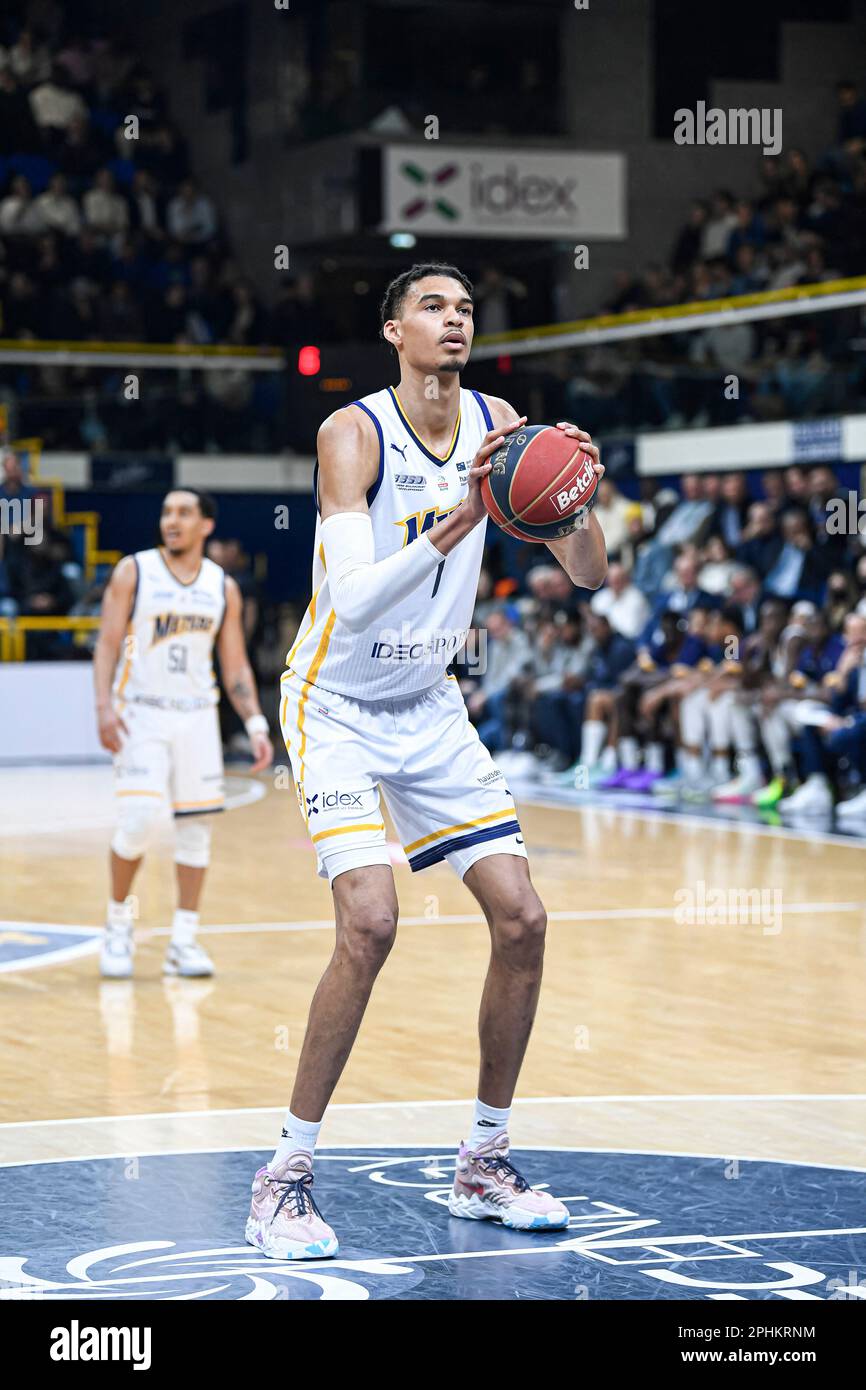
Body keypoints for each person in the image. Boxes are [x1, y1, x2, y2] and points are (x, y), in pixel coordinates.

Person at [248, 262, 607, 1261]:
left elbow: (588, 576)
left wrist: (579, 495)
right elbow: (354, 597)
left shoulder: (502, 426)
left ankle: (483, 1159)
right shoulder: (351, 433)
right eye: (433, 307)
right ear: (393, 329)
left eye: (464, 308)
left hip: (429, 705)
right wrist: (456, 522)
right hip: (335, 704)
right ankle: (283, 1176)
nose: (454, 320)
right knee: (370, 920)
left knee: (523, 917)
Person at [93, 488, 273, 980]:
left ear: (206, 526)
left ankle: (184, 940)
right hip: (140, 713)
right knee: (138, 820)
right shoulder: (135, 570)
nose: (171, 520)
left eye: (183, 513)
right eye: (167, 512)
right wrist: (103, 705)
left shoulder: (222, 587)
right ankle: (116, 926)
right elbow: (107, 642)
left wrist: (255, 721)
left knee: (196, 832)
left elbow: (233, 661)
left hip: (197, 715)